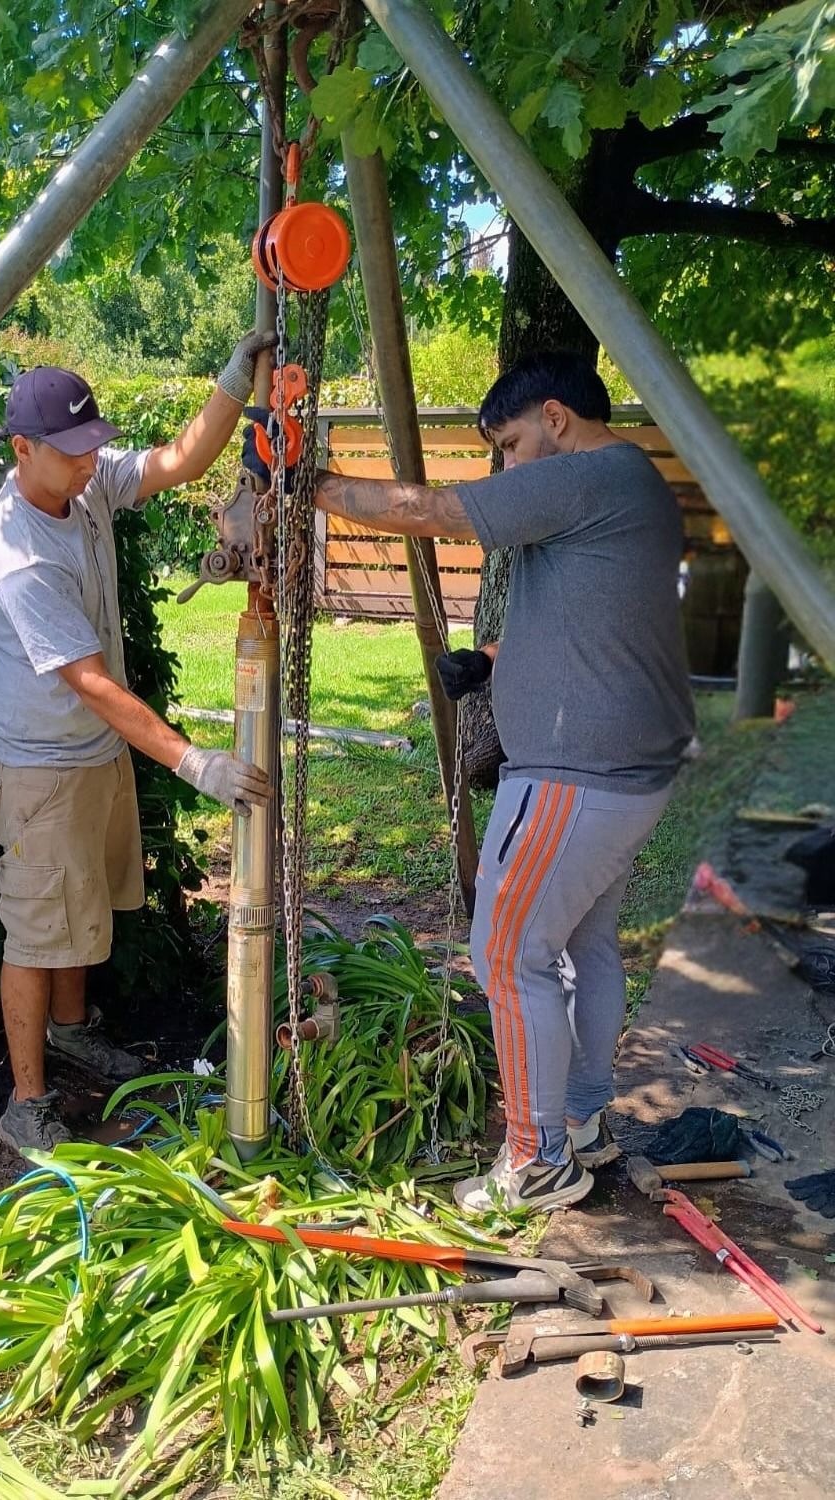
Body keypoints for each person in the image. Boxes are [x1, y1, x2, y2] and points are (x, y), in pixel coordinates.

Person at [248, 350, 695, 1212]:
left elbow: (425, 508)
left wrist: (306, 478)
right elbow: (596, 616)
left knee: (505, 951)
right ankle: (582, 1122)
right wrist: (494, 658)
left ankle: (536, 1162)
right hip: (625, 770)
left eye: (512, 443)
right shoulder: (629, 484)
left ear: (557, 420)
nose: (505, 466)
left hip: (577, 775)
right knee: (584, 945)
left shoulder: (585, 476)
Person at [0, 336, 275, 1155]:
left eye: (92, 447)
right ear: (22, 449)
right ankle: (26, 1104)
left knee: (79, 910)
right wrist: (194, 762)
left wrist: (230, 381)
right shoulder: (18, 553)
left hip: (92, 754)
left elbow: (178, 461)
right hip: (41, 764)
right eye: (70, 452)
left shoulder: (83, 483)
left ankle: (72, 1031)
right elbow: (94, 684)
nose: (88, 464)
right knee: (38, 929)